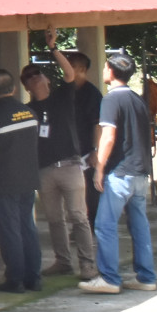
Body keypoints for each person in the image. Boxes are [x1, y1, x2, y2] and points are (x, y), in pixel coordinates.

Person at [80, 52, 157, 294]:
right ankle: (146, 277)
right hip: (139, 172)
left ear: (111, 72)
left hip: (120, 173)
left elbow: (108, 136)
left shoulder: (111, 99)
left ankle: (110, 279)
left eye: (105, 67)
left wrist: (99, 168)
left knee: (104, 225)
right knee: (139, 226)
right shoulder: (137, 99)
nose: (103, 71)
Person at [0, 68, 43, 293]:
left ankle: (15, 280)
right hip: (28, 179)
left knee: (9, 231)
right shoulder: (29, 112)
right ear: (13, 89)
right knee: (27, 228)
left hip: (3, 183)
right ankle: (34, 277)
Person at [25, 62, 94, 278]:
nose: (34, 77)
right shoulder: (28, 111)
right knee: (54, 219)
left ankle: (87, 264)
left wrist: (54, 48)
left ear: (47, 79)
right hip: (44, 170)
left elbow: (70, 73)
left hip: (70, 165)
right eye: (28, 76)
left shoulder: (62, 96)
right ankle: (63, 261)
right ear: (26, 87)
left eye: (38, 73)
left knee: (78, 215)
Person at [56, 45, 103, 222]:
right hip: (67, 151)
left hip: (86, 152)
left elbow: (97, 124)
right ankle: (78, 227)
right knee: (72, 194)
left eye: (71, 65)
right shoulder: (63, 90)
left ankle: (91, 228)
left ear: (82, 69)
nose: (66, 68)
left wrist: (95, 150)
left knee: (89, 193)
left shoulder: (92, 94)